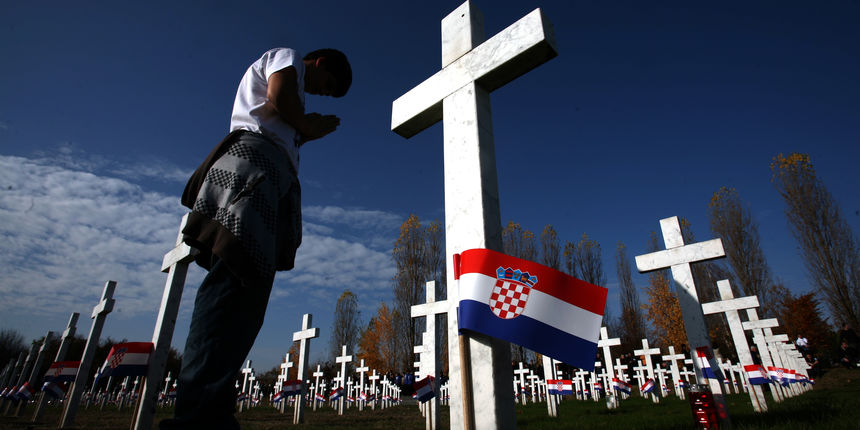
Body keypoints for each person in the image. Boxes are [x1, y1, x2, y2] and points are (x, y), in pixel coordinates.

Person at [160, 47, 352, 430]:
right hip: (254, 168)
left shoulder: (295, 104)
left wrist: (304, 131)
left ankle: (213, 409)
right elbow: (277, 97)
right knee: (231, 284)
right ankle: (196, 416)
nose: (319, 92)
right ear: (321, 62)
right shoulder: (289, 57)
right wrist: (307, 126)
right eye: (326, 85)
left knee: (248, 298)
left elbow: (284, 122)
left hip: (274, 176)